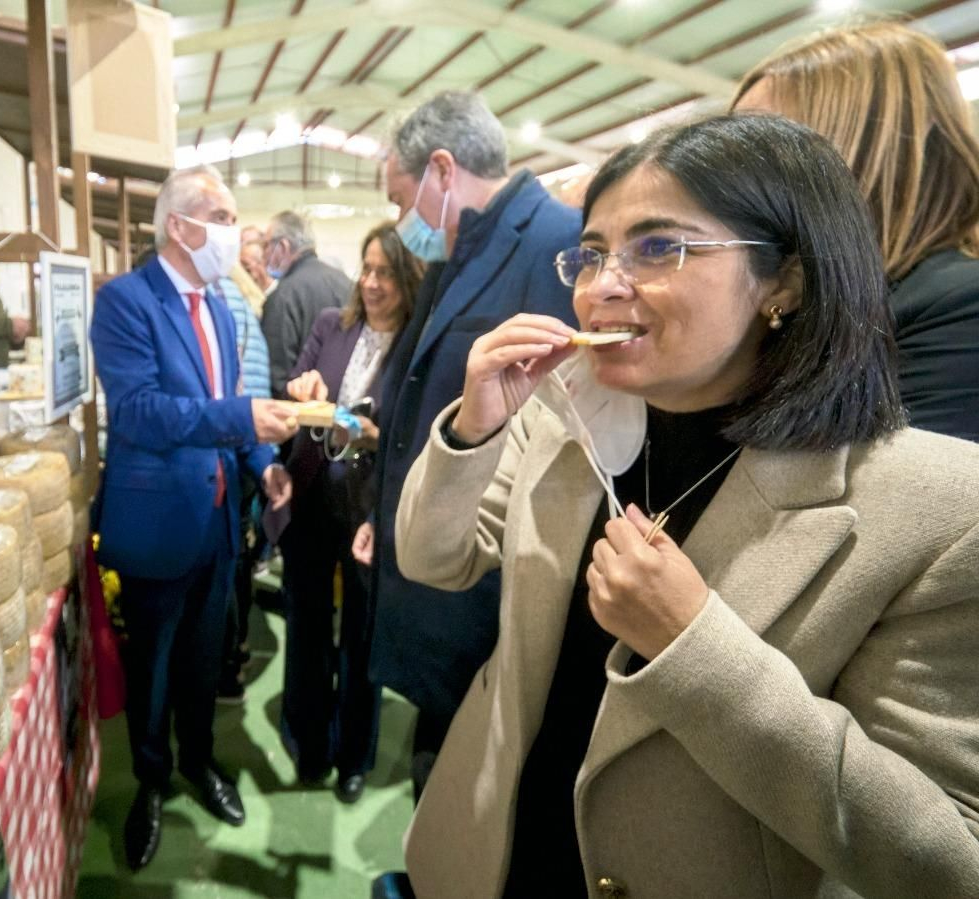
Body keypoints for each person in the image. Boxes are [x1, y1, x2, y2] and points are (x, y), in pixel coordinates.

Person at [396, 113, 979, 898]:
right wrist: (473, 428)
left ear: (786, 281)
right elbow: (434, 559)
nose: (602, 287)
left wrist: (693, 648)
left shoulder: (940, 509)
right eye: (593, 253)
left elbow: (944, 859)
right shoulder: (562, 410)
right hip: (505, 844)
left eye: (658, 247)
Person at [365, 90, 580, 801]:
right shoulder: (464, 251)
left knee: (469, 785)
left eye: (404, 199)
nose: (405, 222)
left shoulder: (555, 245)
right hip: (432, 546)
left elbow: (559, 430)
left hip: (483, 584)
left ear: (443, 169)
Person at [90, 164, 295, 871]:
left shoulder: (217, 308)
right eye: (221, 215)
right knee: (152, 665)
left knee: (205, 659)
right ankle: (150, 781)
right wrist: (241, 418)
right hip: (158, 521)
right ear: (179, 225)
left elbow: (231, 398)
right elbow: (141, 410)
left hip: (215, 522)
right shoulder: (125, 302)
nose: (233, 231)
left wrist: (262, 461)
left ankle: (200, 761)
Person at [733, 21, 979, 443]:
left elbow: (882, 496)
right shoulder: (806, 300)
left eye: (755, 148)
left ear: (865, 148)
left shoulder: (957, 305)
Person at [278, 223, 422, 803]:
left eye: (386, 272)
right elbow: (299, 382)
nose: (371, 282)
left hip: (369, 508)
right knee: (308, 625)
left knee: (362, 637)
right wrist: (303, 387)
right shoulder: (330, 327)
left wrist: (372, 434)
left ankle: (355, 754)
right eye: (366, 269)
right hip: (312, 494)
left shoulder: (415, 346)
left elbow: (414, 436)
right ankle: (310, 742)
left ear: (408, 278)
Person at [216, 271, 271, 704]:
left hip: (231, 455)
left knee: (229, 563)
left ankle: (228, 661)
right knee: (238, 556)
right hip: (249, 448)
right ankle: (236, 652)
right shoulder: (241, 305)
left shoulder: (220, 305)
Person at [261, 212, 352, 397]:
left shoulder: (283, 296)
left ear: (283, 246)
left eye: (266, 245)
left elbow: (279, 378)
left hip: (303, 413)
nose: (264, 254)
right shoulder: (347, 283)